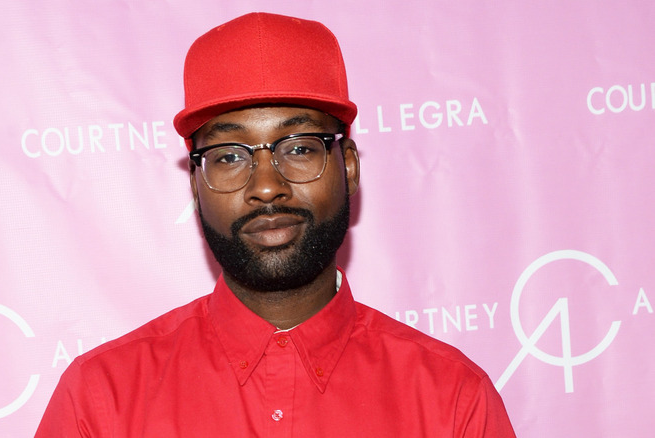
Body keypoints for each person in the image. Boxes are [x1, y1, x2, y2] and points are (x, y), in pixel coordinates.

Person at [36, 12, 516, 437]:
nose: (266, 186)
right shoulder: (101, 400)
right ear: (195, 183)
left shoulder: (453, 397)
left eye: (300, 148)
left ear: (348, 165)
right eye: (228, 155)